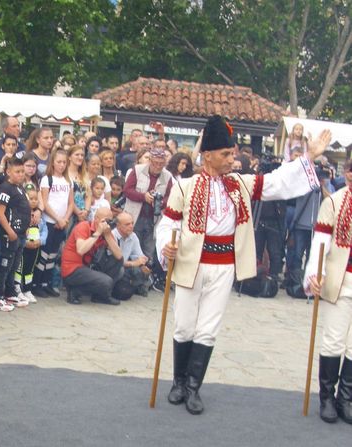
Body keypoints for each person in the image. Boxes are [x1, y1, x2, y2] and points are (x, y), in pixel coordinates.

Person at [157, 114, 330, 416]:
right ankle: (178, 382)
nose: (231, 158)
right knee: (184, 324)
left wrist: (310, 155)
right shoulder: (183, 187)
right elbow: (166, 224)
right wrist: (166, 246)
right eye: (225, 154)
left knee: (208, 328)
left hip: (224, 266)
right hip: (189, 264)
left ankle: (194, 388)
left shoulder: (240, 183)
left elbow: (277, 182)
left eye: (232, 153)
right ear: (208, 155)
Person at [305, 181, 352, 424]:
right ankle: (327, 397)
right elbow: (320, 243)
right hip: (340, 278)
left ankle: (346, 398)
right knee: (334, 340)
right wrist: (316, 273)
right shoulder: (334, 202)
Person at [0, 157, 31, 311]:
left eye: (22, 172)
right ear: (8, 172)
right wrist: (10, 231)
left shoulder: (20, 188)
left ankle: (10, 292)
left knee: (13, 265)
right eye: (17, 172)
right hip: (10, 234)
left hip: (20, 234)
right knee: (4, 264)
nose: (21, 175)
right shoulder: (6, 188)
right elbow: (0, 212)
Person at [32, 148, 73, 298]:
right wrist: (57, 219)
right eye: (59, 162)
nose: (62, 165)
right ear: (53, 163)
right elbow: (45, 202)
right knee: (44, 253)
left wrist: (65, 219)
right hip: (49, 221)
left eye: (64, 162)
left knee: (53, 254)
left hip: (61, 223)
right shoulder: (47, 179)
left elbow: (70, 203)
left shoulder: (68, 181)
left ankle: (46, 282)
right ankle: (37, 283)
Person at [61, 207, 123, 305]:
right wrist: (98, 233)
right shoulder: (83, 226)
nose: (108, 223)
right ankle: (75, 291)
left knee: (119, 265)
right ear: (96, 219)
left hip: (87, 267)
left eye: (110, 220)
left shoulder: (106, 231)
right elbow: (81, 250)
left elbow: (119, 256)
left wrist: (107, 235)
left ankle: (100, 296)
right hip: (72, 270)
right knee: (106, 282)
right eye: (105, 220)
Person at [123, 147, 173, 268]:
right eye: (155, 163)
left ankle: (144, 281)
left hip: (153, 219)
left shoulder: (167, 176)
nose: (158, 166)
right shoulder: (137, 170)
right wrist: (143, 196)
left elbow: (170, 197)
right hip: (135, 217)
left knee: (149, 251)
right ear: (150, 160)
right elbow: (127, 190)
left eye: (161, 164)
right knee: (132, 249)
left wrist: (160, 202)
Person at [15, 189, 46, 304]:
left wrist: (40, 241)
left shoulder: (40, 218)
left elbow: (44, 231)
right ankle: (17, 288)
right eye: (30, 199)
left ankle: (28, 289)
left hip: (35, 247)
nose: (33, 201)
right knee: (19, 267)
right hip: (24, 246)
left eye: (35, 199)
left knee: (30, 269)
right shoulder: (22, 213)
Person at [113, 211, 151, 297]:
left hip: (124, 266)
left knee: (143, 269)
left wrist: (144, 264)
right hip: (112, 268)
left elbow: (139, 256)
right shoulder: (112, 235)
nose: (131, 226)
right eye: (127, 224)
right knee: (121, 271)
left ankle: (139, 286)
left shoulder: (133, 236)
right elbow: (114, 262)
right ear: (118, 225)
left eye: (132, 223)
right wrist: (134, 263)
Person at [67, 145, 90, 226]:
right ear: (69, 157)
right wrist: (78, 212)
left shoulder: (84, 174)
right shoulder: (65, 174)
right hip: (70, 214)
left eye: (82, 155)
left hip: (84, 214)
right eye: (77, 155)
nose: (80, 157)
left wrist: (86, 211)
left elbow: (88, 195)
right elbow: (68, 198)